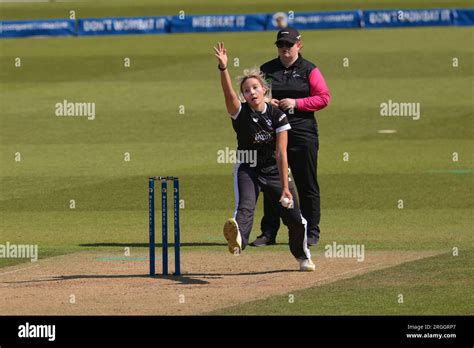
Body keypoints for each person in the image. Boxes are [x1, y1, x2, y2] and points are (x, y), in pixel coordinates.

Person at [213, 42, 315, 272]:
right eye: (246, 90)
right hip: (248, 168)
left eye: (255, 88)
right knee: (245, 206)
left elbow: (281, 152)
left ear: (264, 91)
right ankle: (238, 240)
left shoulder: (277, 116)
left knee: (295, 218)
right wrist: (223, 68)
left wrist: (286, 187)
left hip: (273, 169)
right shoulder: (239, 112)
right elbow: (228, 94)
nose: (251, 93)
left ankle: (303, 256)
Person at [250, 28, 330, 248]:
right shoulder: (266, 70)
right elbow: (252, 95)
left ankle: (311, 231)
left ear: (299, 45)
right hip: (272, 132)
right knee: (272, 182)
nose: (285, 49)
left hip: (302, 131)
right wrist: (267, 102)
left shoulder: (309, 70)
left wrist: (298, 104)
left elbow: (324, 98)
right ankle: (268, 232)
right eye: (281, 46)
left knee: (306, 182)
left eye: (289, 45)